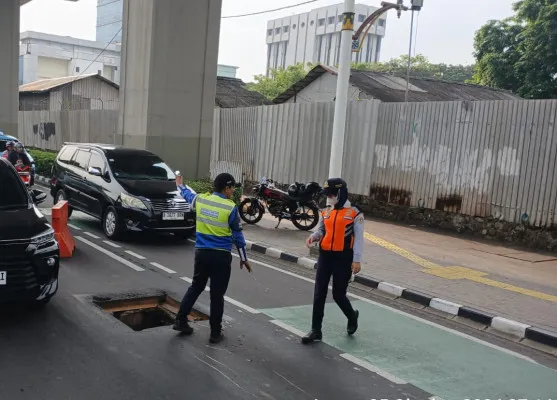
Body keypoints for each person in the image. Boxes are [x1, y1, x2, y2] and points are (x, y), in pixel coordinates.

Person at [173, 172, 252, 344]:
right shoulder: (230, 208)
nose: (233, 192)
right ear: (226, 188)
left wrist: (180, 185)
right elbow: (238, 236)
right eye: (232, 188)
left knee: (196, 286)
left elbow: (188, 196)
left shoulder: (202, 200)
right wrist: (244, 258)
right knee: (217, 295)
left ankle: (180, 320)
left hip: (201, 254)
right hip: (221, 257)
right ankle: (215, 333)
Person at [301, 178, 364, 344]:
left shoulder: (355, 213)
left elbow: (358, 239)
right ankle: (316, 330)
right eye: (327, 194)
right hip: (325, 255)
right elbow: (321, 229)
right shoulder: (326, 211)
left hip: (344, 257)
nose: (329, 197)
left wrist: (356, 260)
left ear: (341, 193)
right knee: (319, 291)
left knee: (338, 294)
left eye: (331, 194)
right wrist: (313, 236)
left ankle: (352, 315)